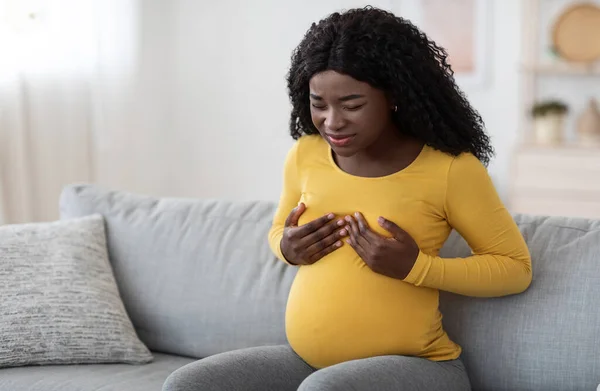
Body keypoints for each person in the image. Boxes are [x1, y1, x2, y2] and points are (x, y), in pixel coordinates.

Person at [163, 6, 532, 391]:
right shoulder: (306, 154)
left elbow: (515, 268)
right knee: (188, 384)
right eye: (318, 103)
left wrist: (416, 267)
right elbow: (278, 230)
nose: (332, 122)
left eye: (352, 105)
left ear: (394, 96)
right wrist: (288, 247)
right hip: (308, 364)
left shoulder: (451, 169)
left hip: (418, 368)